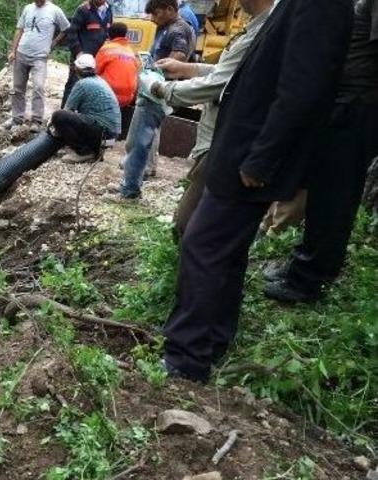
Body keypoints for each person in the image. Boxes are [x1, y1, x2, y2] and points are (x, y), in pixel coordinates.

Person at [161, 0, 354, 383]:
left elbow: (304, 88)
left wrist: (262, 159)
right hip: (241, 148)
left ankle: (185, 359)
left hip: (250, 155)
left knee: (204, 246)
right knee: (225, 252)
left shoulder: (321, 7)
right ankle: (212, 341)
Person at [263, 0, 378, 303]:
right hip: (342, 105)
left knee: (334, 200)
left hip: (355, 106)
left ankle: (308, 280)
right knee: (321, 195)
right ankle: (302, 266)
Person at [145, 0, 273, 239]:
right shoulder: (257, 26)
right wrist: (186, 68)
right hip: (219, 140)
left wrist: (160, 89)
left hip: (223, 142)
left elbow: (219, 83)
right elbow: (227, 71)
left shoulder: (266, 30)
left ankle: (190, 270)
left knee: (187, 226)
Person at [112, 0, 195, 200]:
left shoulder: (177, 30)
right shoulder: (167, 27)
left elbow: (178, 60)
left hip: (156, 92)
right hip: (154, 90)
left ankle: (129, 190)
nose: (152, 18)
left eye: (156, 14)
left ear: (169, 10)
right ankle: (131, 182)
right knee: (143, 139)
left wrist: (154, 71)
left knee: (137, 141)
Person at [5, 0, 71, 131]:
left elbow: (66, 28)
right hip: (21, 53)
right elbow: (19, 29)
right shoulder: (28, 8)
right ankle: (17, 119)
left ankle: (36, 120)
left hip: (40, 57)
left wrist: (53, 43)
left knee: (38, 87)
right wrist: (13, 50)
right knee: (18, 88)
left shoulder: (54, 10)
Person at [50, 53, 122, 163]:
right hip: (111, 135)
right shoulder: (99, 80)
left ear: (77, 69)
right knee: (80, 119)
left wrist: (52, 127)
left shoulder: (82, 84)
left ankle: (83, 152)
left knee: (58, 116)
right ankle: (94, 152)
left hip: (103, 132)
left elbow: (67, 111)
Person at [62, 0, 113, 107]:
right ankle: (62, 117)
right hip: (82, 59)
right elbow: (71, 33)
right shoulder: (83, 10)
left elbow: (108, 33)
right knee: (74, 85)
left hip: (98, 59)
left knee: (93, 88)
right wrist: (78, 53)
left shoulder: (109, 10)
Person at [95, 22, 141, 107]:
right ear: (125, 35)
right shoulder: (130, 51)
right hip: (128, 98)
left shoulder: (106, 49)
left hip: (109, 94)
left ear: (109, 34)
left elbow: (95, 71)